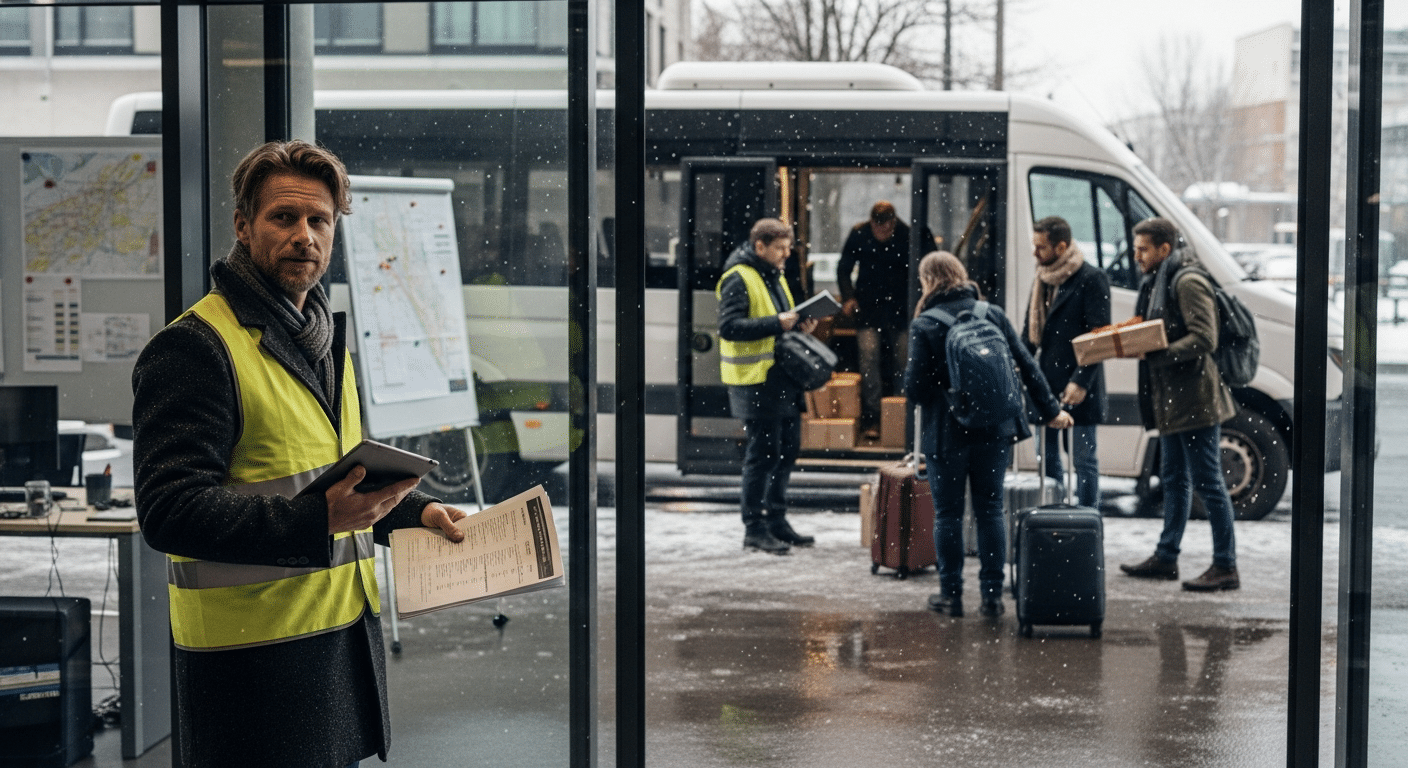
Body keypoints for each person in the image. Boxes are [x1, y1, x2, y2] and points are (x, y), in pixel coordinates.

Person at [132, 140, 469, 768]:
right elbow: (168, 510)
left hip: (335, 653)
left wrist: (415, 512)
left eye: (319, 220)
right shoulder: (196, 349)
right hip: (249, 673)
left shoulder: (319, 337)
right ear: (243, 226)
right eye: (282, 218)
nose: (304, 236)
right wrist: (321, 521)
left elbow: (334, 475)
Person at [904, 251, 1072, 618]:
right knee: (990, 510)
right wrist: (1051, 411)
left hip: (948, 433)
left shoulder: (926, 324)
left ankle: (951, 596)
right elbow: (1027, 365)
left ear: (928, 281)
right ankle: (992, 597)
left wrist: (945, 388)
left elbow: (914, 390)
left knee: (948, 515)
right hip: (994, 429)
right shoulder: (990, 313)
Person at [1118, 217, 1241, 591]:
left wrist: (1158, 354)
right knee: (1173, 478)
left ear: (1164, 249)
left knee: (1208, 482)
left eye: (1143, 249)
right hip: (1173, 400)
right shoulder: (1158, 281)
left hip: (1196, 400)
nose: (1136, 255)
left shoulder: (1186, 281)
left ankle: (1226, 566)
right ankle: (1166, 556)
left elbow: (1205, 338)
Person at [717, 218, 819, 554]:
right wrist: (776, 322)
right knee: (763, 455)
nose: (786, 255)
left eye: (789, 248)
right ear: (760, 246)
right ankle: (754, 528)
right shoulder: (738, 277)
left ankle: (776, 521)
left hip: (780, 378)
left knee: (786, 450)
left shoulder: (771, 274)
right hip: (755, 381)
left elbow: (779, 323)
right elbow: (729, 327)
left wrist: (798, 325)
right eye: (781, 248)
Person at [1021, 216, 1111, 508]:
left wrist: (1081, 380)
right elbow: (1028, 335)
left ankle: (1086, 521)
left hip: (1078, 384)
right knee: (1046, 460)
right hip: (1045, 384)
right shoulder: (1042, 278)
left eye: (1041, 247)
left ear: (1061, 247)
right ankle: (1054, 518)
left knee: (1083, 460)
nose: (1035, 253)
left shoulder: (1091, 278)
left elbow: (1099, 338)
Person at [837, 201, 938, 439]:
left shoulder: (910, 235)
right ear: (871, 223)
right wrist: (849, 297)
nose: (880, 232)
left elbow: (930, 266)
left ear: (893, 223)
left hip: (902, 309)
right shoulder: (860, 234)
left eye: (885, 228)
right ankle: (873, 417)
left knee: (903, 361)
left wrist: (923, 300)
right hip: (869, 308)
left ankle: (900, 417)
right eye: (876, 227)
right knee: (868, 359)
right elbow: (844, 268)